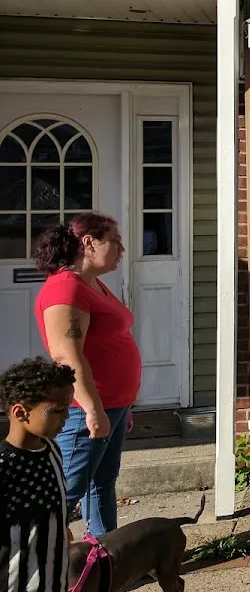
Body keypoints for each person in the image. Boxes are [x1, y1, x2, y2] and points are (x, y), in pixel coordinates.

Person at [34, 213, 141, 538]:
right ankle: (32, 558)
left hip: (113, 405)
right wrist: (93, 409)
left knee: (102, 483)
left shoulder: (91, 284)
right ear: (89, 243)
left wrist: (122, 407)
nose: (122, 249)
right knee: (66, 491)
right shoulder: (65, 289)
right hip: (85, 409)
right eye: (115, 241)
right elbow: (66, 356)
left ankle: (102, 554)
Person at [0, 357, 76, 592]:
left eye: (68, 409)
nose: (66, 419)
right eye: (57, 411)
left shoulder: (52, 451)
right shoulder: (4, 466)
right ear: (21, 412)